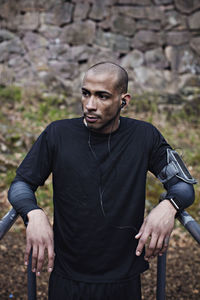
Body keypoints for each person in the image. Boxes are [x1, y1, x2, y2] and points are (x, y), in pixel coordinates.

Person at [8, 62, 196, 300]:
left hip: (123, 280)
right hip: (67, 278)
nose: (89, 105)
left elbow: (183, 186)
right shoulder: (57, 133)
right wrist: (33, 213)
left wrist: (170, 206)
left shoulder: (145, 136)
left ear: (123, 100)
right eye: (86, 93)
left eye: (102, 96)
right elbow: (21, 184)